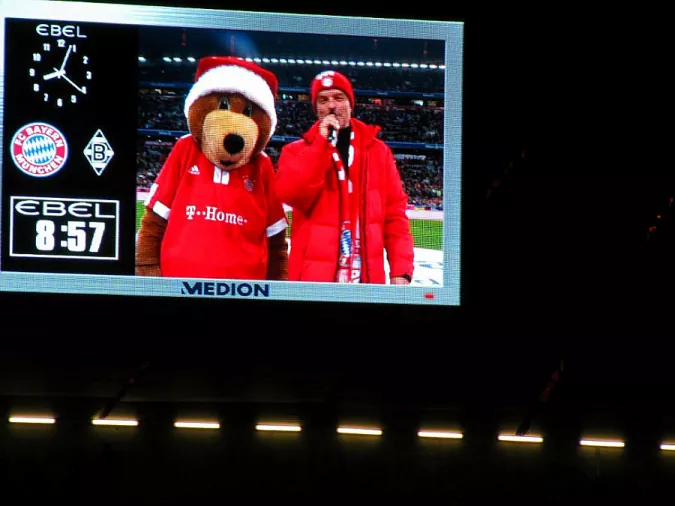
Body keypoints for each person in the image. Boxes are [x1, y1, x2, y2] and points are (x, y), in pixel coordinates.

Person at [275, 70, 414, 284]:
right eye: (323, 100)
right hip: (314, 281)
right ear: (316, 108)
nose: (331, 105)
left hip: (366, 279)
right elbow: (292, 194)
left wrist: (401, 270)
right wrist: (320, 144)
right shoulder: (295, 152)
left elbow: (395, 214)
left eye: (338, 98)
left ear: (350, 104)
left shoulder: (378, 152)